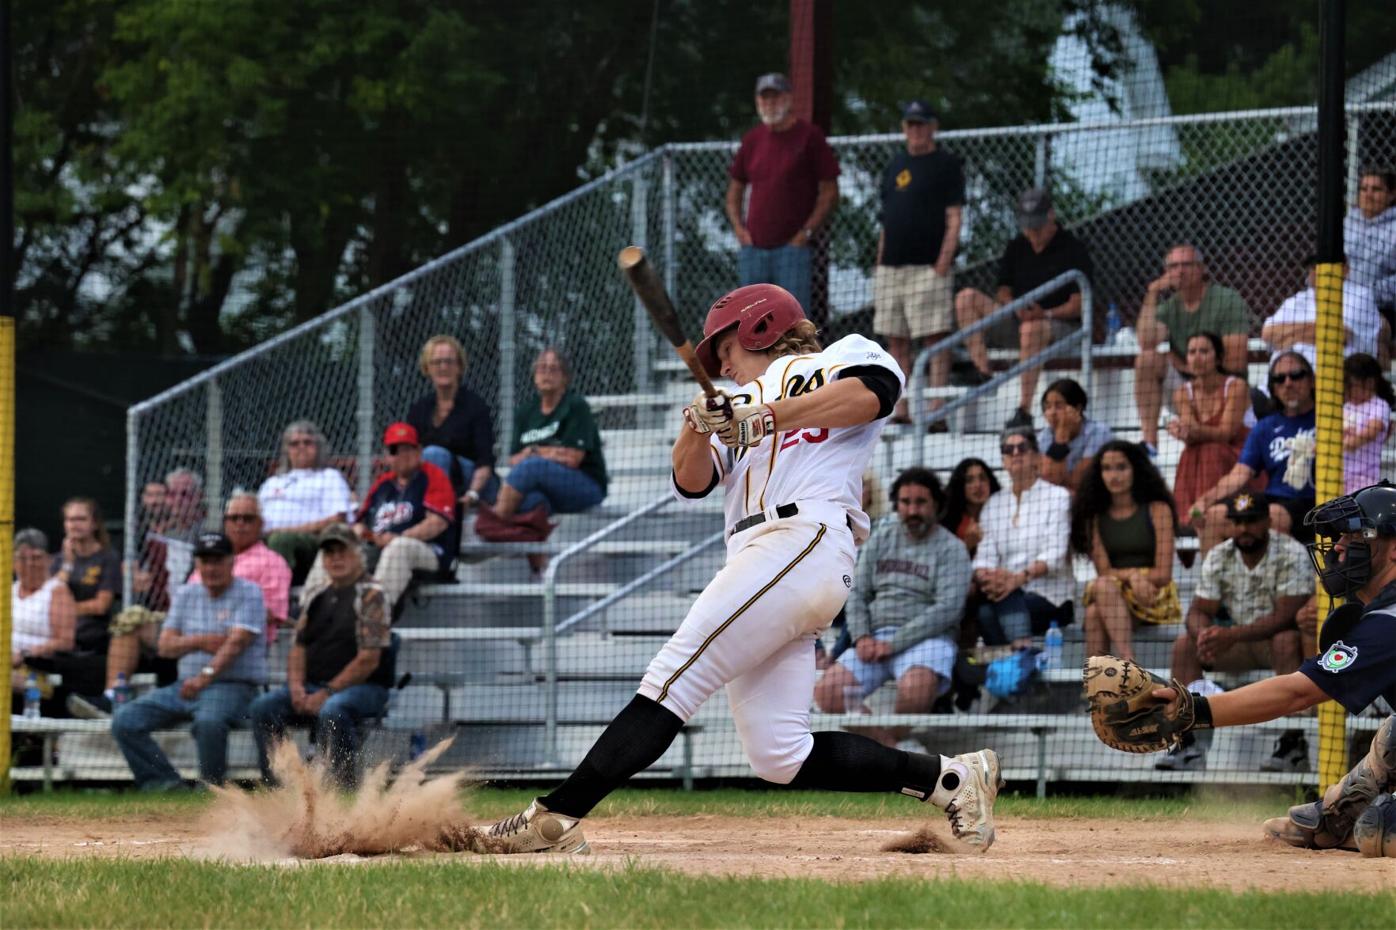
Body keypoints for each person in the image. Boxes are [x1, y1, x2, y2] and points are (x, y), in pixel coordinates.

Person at [476, 283, 1002, 856]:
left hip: (804, 538)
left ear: (759, 327)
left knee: (674, 675)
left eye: (723, 346)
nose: (720, 362)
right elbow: (691, 481)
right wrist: (698, 426)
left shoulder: (837, 358)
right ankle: (951, 780)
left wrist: (764, 416)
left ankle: (555, 816)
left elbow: (875, 394)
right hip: (765, 560)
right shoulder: (735, 407)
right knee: (779, 755)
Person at [1144, 482, 1396, 856]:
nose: (1339, 547)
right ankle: (1336, 812)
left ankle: (1352, 823)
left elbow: (1298, 691)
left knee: (1380, 832)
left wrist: (1191, 710)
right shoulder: (1380, 615)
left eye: (1356, 535)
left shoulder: (1387, 621)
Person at [69, 494, 290, 719]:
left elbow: (270, 614)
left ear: (260, 524)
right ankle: (112, 696)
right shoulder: (207, 554)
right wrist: (197, 637)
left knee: (208, 722)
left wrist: (225, 614)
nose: (239, 524)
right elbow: (186, 605)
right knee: (130, 620)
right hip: (192, 640)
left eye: (247, 519)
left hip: (236, 645)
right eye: (234, 518)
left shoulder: (272, 562)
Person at [813, 468, 972, 748]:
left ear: (936, 504)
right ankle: (889, 748)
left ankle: (889, 751)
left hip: (927, 640)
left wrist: (895, 643)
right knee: (830, 693)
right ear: (896, 504)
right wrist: (862, 637)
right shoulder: (880, 540)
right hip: (874, 640)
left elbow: (947, 609)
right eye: (906, 502)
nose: (912, 510)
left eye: (921, 502)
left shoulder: (952, 549)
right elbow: (857, 592)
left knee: (916, 688)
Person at [1154, 492, 1310, 772]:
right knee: (1184, 645)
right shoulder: (1221, 554)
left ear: (1267, 521)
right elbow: (1198, 610)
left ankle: (1292, 744)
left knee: (1286, 640)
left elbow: (1286, 615)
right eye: (1237, 522)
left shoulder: (1291, 552)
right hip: (1238, 644)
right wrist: (1205, 635)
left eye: (1251, 521)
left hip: (1274, 643)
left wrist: (1231, 635)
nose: (1243, 529)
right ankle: (1188, 743)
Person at [110, 532, 266, 789]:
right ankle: (166, 785)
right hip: (184, 686)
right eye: (205, 561)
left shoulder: (249, 593)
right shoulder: (186, 594)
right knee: (125, 720)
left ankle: (211, 790)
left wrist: (204, 676)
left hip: (231, 686)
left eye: (217, 560)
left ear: (231, 562)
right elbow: (165, 647)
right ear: (197, 564)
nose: (211, 568)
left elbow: (235, 644)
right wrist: (202, 641)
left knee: (209, 722)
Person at [249, 524, 393, 789]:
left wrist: (326, 692)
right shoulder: (317, 595)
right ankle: (280, 786)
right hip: (314, 686)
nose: (336, 558)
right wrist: (295, 689)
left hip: (365, 687)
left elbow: (369, 659)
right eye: (329, 553)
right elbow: (298, 648)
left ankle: (342, 787)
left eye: (343, 551)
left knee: (333, 710)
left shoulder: (372, 594)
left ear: (358, 554)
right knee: (263, 707)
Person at [954, 188, 1094, 428]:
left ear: (1050, 216)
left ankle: (1024, 410)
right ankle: (983, 372)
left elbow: (1079, 304)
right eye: (1028, 226)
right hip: (1019, 319)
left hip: (1060, 326)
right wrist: (1014, 306)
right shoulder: (1017, 246)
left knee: (1032, 329)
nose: (1033, 233)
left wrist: (1045, 314)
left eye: (1037, 226)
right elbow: (1003, 289)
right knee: (966, 298)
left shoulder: (1073, 248)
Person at [874, 100, 964, 427]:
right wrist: (879, 262)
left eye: (921, 124)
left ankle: (937, 405)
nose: (916, 130)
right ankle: (903, 407)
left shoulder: (947, 164)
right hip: (892, 268)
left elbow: (955, 218)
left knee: (933, 337)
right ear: (904, 128)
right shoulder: (894, 165)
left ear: (933, 126)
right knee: (896, 339)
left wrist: (942, 263)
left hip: (928, 267)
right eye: (910, 124)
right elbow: (885, 221)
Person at [725, 72, 840, 316]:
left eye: (775, 98)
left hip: (792, 248)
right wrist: (738, 227)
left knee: (792, 321)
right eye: (764, 99)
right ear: (757, 102)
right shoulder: (752, 139)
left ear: (789, 99)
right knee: (751, 319)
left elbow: (830, 191)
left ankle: (796, 356)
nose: (770, 104)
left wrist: (806, 232)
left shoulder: (809, 136)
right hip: (753, 247)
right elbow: (735, 188)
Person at [481, 348, 607, 565]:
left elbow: (573, 459)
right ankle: (539, 570)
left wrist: (535, 452)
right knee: (532, 502)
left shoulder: (575, 406)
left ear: (565, 377)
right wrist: (550, 453)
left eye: (553, 369)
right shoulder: (525, 412)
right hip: (547, 488)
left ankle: (492, 527)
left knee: (532, 467)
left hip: (584, 486)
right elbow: (512, 459)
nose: (546, 373)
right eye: (541, 368)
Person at [313, 422, 459, 611]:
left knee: (398, 547)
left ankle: (374, 618)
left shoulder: (433, 476)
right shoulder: (382, 484)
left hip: (430, 552)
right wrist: (366, 535)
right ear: (386, 456)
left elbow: (437, 523)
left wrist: (400, 537)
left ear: (419, 451)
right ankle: (313, 612)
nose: (402, 455)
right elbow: (360, 525)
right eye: (394, 450)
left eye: (408, 448)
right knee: (336, 546)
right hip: (383, 551)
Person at [1132, 245, 1251, 456]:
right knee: (1146, 360)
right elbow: (1146, 341)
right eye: (1173, 266)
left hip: (1225, 388)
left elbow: (1236, 361)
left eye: (1186, 264)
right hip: (1186, 389)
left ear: (1202, 269)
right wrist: (1152, 293)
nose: (1180, 271)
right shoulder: (1170, 306)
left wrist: (1184, 364)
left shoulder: (1226, 300)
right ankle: (1150, 444)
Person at [1192, 352, 1317, 550]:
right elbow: (1239, 475)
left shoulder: (1328, 418)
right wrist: (1204, 501)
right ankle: (1216, 581)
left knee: (1272, 515)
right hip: (1272, 500)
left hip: (1315, 503)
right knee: (1214, 517)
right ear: (1273, 389)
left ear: (1311, 381)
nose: (1288, 383)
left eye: (1295, 375)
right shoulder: (1265, 428)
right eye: (1279, 378)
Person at [1071, 441, 1180, 663]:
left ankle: (1114, 678)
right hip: (1113, 594)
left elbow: (1163, 574)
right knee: (1095, 609)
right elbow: (1104, 571)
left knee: (1097, 604)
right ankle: (1123, 667)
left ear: (1135, 470)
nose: (1114, 475)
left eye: (1121, 467)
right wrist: (1132, 576)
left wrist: (1137, 579)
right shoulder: (1093, 517)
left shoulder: (1158, 509)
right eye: (1107, 468)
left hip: (1152, 593)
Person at [971, 428, 1075, 646]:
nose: (1015, 453)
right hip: (1004, 593)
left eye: (1023, 448)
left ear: (1037, 457)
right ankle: (1020, 663)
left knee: (989, 612)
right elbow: (984, 556)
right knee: (984, 611)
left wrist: (1017, 579)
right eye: (1008, 449)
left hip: (1051, 596)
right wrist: (988, 578)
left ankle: (1015, 662)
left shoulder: (1058, 497)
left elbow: (1055, 553)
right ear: (1003, 460)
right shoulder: (994, 503)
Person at [1168, 331, 1257, 535]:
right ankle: (1188, 518)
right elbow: (1191, 432)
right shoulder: (1182, 392)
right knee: (1192, 452)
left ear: (1218, 357)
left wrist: (1189, 430)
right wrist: (1181, 431)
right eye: (1191, 352)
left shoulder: (1236, 386)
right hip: (1204, 458)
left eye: (1204, 351)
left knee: (1210, 450)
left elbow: (1227, 432)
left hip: (1240, 458)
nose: (1197, 357)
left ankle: (1203, 514)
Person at [405, 334, 498, 507]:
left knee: (434, 454)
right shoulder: (420, 408)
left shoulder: (475, 406)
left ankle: (438, 512)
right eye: (436, 362)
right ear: (427, 368)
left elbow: (485, 461)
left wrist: (472, 494)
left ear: (459, 367)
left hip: (478, 483)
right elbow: (408, 453)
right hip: (434, 481)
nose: (443, 367)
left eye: (449, 361)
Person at [259, 420, 355, 583]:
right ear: (286, 450)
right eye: (294, 444)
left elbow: (338, 519)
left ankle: (276, 595)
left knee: (280, 540)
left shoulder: (329, 477)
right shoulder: (273, 482)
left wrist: (286, 530)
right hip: (267, 538)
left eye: (307, 442)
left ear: (318, 448)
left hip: (313, 543)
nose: (301, 447)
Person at [1262, 255, 1387, 368]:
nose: (1316, 270)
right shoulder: (1297, 300)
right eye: (1313, 267)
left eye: (1321, 265)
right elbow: (1267, 333)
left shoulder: (1359, 295)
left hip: (1340, 378)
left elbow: (1338, 334)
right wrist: (1316, 329)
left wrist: (1290, 337)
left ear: (1345, 270)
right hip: (1285, 378)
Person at [10, 529, 75, 710]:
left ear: (49, 560)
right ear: (13, 562)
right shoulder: (8, 591)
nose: (30, 564)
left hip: (38, 671)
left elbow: (65, 641)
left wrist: (24, 654)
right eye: (22, 558)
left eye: (36, 558)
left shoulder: (57, 591)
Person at [51, 497, 121, 658]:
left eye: (81, 519)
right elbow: (49, 598)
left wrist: (64, 611)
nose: (74, 524)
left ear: (94, 524)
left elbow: (101, 605)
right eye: (70, 519)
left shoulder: (108, 558)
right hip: (59, 633)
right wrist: (68, 564)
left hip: (93, 635)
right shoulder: (58, 560)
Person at [1036, 378, 1111, 494]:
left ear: (1077, 409)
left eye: (1059, 406)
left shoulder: (1099, 432)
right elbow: (1050, 479)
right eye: (1048, 406)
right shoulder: (1042, 437)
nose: (1052, 413)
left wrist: (1063, 431)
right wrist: (1061, 437)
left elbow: (1080, 482)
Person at [1343, 167, 1396, 325]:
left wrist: (1365, 295)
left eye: (1376, 189)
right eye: (1364, 189)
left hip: (1382, 308)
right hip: (1340, 302)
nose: (1368, 195)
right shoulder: (1345, 225)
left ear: (1392, 195)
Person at [1342, 353, 1393, 494]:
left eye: (1351, 385)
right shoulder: (1346, 407)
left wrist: (1341, 444)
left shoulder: (1379, 405)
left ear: (1369, 382)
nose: (1346, 389)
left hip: (1365, 480)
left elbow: (1371, 432)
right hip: (1339, 476)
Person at [943, 457, 1000, 559]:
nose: (977, 485)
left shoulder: (1002, 514)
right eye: (969, 480)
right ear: (960, 486)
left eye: (982, 478)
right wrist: (967, 545)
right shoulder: (948, 521)